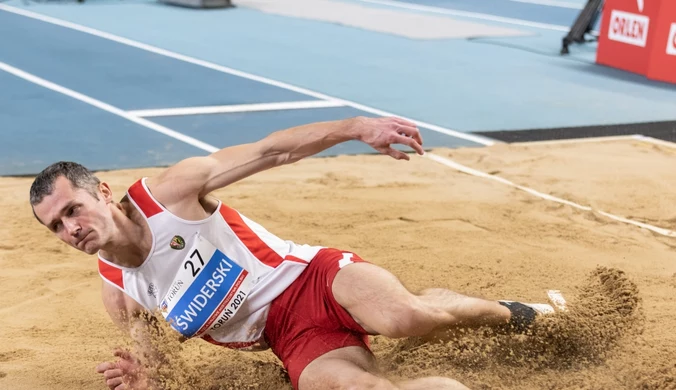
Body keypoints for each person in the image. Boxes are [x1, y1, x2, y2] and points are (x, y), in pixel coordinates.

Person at [29, 116, 552, 390]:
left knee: (406, 316)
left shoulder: (170, 194)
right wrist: (147, 378)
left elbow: (271, 150)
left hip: (312, 278)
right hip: (291, 339)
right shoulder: (121, 294)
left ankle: (518, 314)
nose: (71, 228)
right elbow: (159, 367)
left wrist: (357, 128)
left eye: (72, 210)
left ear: (100, 192)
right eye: (56, 226)